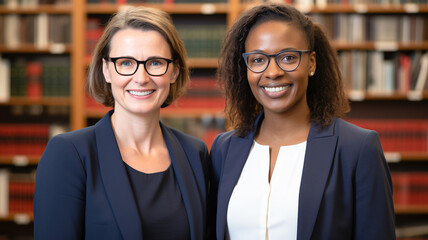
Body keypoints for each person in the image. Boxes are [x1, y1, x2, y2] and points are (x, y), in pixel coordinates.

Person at [209, 3, 395, 240]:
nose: (272, 71)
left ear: (312, 63)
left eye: (288, 57)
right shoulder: (224, 149)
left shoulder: (357, 149)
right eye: (257, 60)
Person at [34, 6, 210, 240]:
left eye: (155, 63)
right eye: (126, 63)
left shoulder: (194, 153)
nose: (141, 78)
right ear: (107, 70)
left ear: (174, 71)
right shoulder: (69, 154)